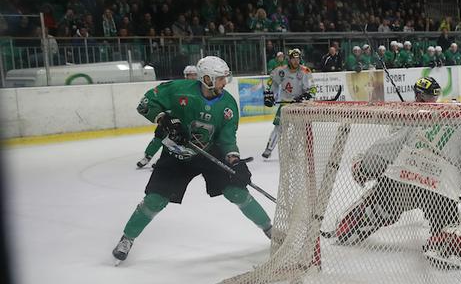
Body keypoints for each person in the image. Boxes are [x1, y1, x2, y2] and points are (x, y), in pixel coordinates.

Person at [329, 77, 461, 270]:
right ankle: (447, 240)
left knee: (379, 202)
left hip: (400, 181)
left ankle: (358, 219)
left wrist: (365, 168)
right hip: (439, 188)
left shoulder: (415, 118)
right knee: (449, 219)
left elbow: (386, 148)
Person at [112, 56, 272, 263]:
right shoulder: (179, 89)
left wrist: (235, 162)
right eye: (221, 79)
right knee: (155, 200)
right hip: (175, 155)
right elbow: (145, 104)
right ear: (207, 79)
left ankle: (270, 230)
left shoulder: (228, 104)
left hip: (209, 153)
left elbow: (227, 138)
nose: (225, 83)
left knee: (237, 192)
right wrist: (165, 119)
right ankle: (127, 238)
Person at [136, 65, 199, 169]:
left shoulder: (199, 90)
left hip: (186, 120)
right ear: (185, 76)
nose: (191, 77)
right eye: (189, 75)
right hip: (170, 117)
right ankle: (147, 156)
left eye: (194, 75)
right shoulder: (177, 87)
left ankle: (164, 159)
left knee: (178, 140)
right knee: (159, 135)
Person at [262, 48, 316, 159]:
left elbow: (312, 88)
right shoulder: (280, 71)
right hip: (285, 104)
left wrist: (307, 95)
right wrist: (269, 95)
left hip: (299, 105)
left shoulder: (305, 71)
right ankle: (269, 149)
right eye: (293, 59)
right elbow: (272, 83)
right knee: (279, 127)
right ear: (289, 59)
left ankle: (292, 151)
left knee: (299, 129)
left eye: (298, 59)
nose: (296, 61)